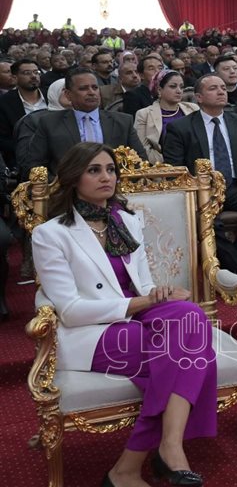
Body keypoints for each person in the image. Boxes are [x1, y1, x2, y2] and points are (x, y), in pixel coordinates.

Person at [32, 143, 216, 487]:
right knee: (187, 353)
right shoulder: (50, 234)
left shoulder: (127, 221)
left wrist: (160, 294)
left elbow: (142, 284)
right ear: (73, 178)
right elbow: (70, 311)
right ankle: (142, 463)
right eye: (94, 170)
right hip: (92, 330)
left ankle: (155, 454)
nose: (106, 177)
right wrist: (143, 302)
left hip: (134, 313)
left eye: (110, 169)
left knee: (191, 316)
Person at [163, 73, 237, 287]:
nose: (221, 91)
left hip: (236, 185)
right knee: (207, 221)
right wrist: (196, 189)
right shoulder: (181, 127)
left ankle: (234, 264)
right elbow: (175, 169)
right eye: (213, 88)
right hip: (202, 190)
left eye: (222, 88)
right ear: (199, 97)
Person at [25, 68, 148, 178]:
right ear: (68, 94)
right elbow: (34, 165)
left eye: (95, 87)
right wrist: (60, 185)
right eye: (83, 88)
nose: (91, 92)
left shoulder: (123, 121)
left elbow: (140, 161)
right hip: (67, 190)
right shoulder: (49, 123)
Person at [134, 70, 198, 163]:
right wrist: (169, 162)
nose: (179, 91)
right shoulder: (144, 114)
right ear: (159, 90)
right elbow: (142, 148)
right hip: (161, 166)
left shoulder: (193, 108)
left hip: (194, 163)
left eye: (181, 87)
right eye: (173, 86)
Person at [0, 58, 47, 166]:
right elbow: (3, 139)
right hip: (22, 160)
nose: (33, 76)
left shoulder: (51, 96)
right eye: (27, 73)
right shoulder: (4, 103)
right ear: (15, 77)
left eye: (36, 72)